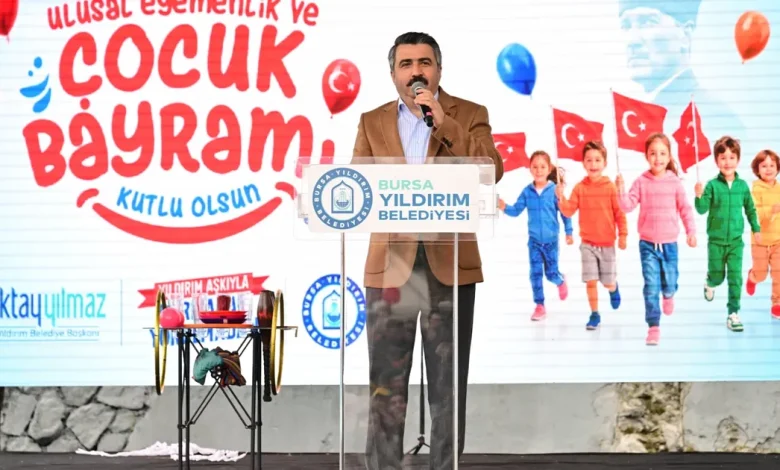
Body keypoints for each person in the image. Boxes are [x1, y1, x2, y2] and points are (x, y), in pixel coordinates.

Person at [351, 31, 503, 469]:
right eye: (406, 64)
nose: (416, 71)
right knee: (386, 387)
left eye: (424, 63)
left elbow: (490, 170)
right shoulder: (371, 121)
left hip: (449, 263)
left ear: (438, 69)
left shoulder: (469, 114)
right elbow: (358, 185)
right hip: (390, 265)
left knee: (447, 387)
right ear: (393, 73)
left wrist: (443, 121)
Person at [618, 0, 745, 146]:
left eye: (648, 23)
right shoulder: (642, 116)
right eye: (626, 26)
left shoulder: (712, 117)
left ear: (685, 34)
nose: (632, 40)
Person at [615, 133, 696, 345]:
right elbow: (627, 206)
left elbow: (685, 209)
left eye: (662, 153)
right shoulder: (641, 181)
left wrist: (691, 231)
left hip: (669, 244)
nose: (657, 158)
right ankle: (653, 325)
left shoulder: (674, 182)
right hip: (647, 244)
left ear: (669, 156)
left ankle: (669, 295)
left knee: (670, 282)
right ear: (646, 156)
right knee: (651, 285)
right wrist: (620, 190)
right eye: (653, 153)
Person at [556, 141, 627, 331]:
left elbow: (619, 214)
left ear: (604, 163)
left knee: (607, 282)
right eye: (589, 160)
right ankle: (594, 313)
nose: (593, 164)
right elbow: (568, 210)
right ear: (583, 163)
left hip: (607, 244)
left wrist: (623, 235)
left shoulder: (610, 187)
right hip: (587, 244)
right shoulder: (580, 188)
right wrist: (561, 197)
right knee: (591, 281)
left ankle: (613, 287)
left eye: (597, 160)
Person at [694, 136, 761, 332]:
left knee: (735, 277)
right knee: (718, 277)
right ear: (716, 161)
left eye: (732, 157)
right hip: (716, 242)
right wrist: (698, 196)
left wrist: (756, 228)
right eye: (723, 158)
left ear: (738, 160)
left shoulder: (742, 186)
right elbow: (701, 209)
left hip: (735, 243)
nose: (727, 162)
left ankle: (733, 313)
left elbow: (750, 209)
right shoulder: (712, 185)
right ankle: (710, 282)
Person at [498, 150, 573, 321]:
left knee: (551, 274)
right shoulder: (527, 192)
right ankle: (540, 305)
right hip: (534, 243)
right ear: (530, 169)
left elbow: (565, 213)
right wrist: (503, 206)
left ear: (549, 169)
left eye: (542, 167)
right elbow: (516, 210)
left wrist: (569, 232)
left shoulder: (555, 191)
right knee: (536, 274)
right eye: (535, 167)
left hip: (551, 242)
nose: (539, 170)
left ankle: (560, 281)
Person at [745, 149, 780, 320]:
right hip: (760, 241)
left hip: (778, 240)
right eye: (764, 166)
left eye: (772, 165)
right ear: (757, 170)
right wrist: (771, 211)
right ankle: (752, 277)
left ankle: (777, 303)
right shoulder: (755, 190)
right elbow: (754, 214)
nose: (768, 169)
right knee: (761, 274)